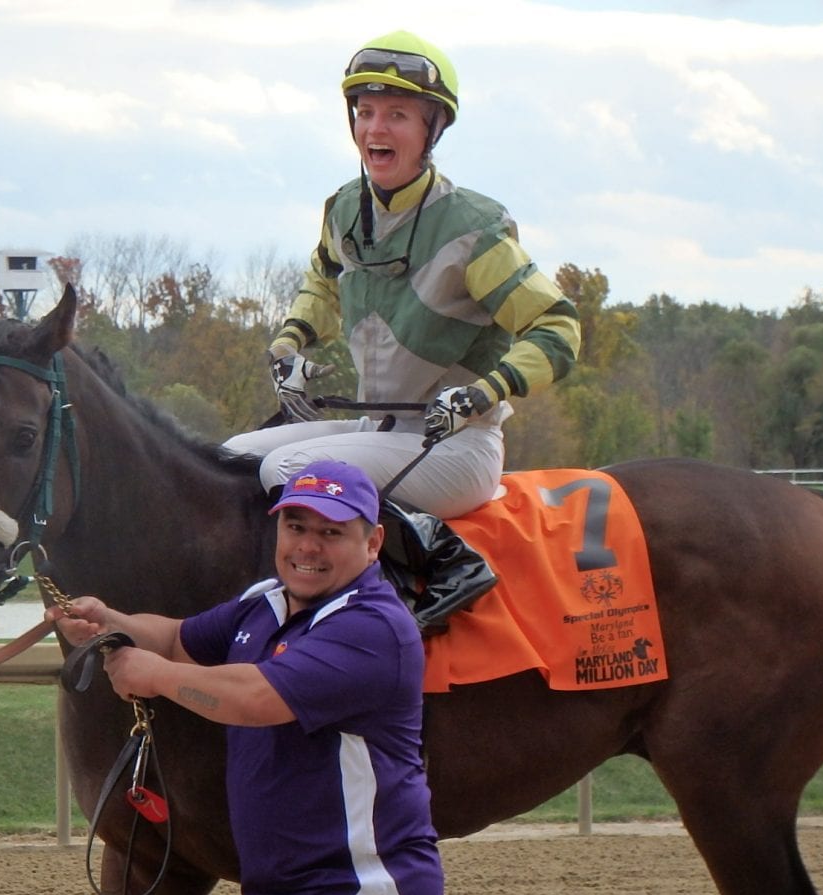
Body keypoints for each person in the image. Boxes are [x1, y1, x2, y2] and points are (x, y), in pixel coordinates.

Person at [223, 29, 581, 632]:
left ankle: (402, 597)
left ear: (431, 129)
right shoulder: (343, 209)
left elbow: (558, 328)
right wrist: (289, 346)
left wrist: (482, 393)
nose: (375, 130)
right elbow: (322, 284)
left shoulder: (475, 226)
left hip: (457, 449)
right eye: (365, 114)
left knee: (287, 472)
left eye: (396, 115)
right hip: (377, 432)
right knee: (231, 458)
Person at [49, 460, 444, 895]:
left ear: (373, 543)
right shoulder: (266, 603)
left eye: (330, 532)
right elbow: (175, 638)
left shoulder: (370, 626)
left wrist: (152, 676)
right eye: (295, 526)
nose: (307, 546)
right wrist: (110, 620)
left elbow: (256, 698)